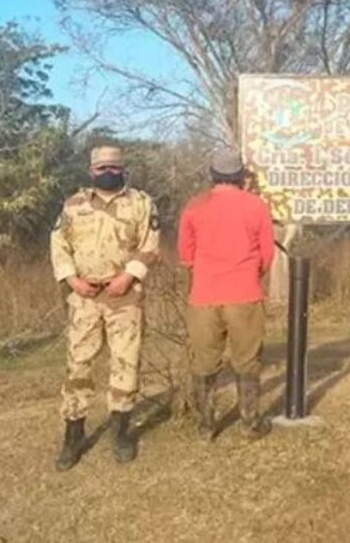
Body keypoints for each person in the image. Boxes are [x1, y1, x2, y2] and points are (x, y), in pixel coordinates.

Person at [50, 145, 160, 470]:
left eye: (114, 167)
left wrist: (128, 276)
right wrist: (71, 279)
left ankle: (121, 433)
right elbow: (59, 246)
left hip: (123, 297)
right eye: (101, 168)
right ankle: (73, 436)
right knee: (78, 365)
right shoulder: (73, 205)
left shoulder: (141, 203)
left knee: (125, 363)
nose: (108, 172)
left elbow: (150, 246)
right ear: (91, 171)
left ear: (123, 169)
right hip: (84, 297)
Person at [177, 148, 275, 441]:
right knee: (247, 361)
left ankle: (206, 426)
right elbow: (267, 254)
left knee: (204, 363)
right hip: (244, 292)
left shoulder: (194, 206)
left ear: (212, 174)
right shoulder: (256, 206)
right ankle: (249, 423)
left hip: (204, 295)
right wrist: (250, 275)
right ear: (240, 176)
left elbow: (185, 254)